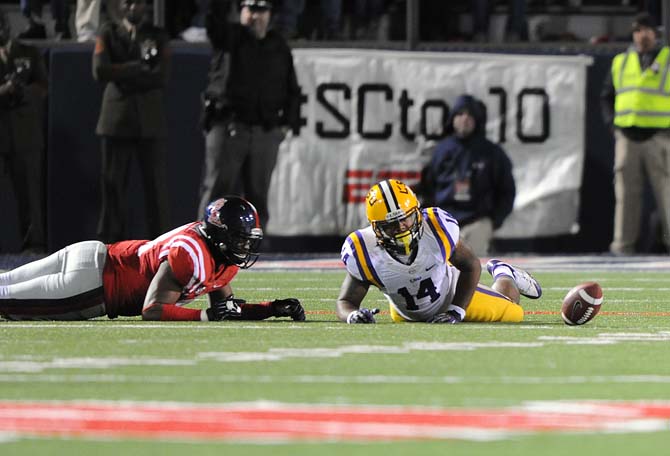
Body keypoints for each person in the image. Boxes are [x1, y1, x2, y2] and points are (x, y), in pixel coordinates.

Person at [0, 196, 306, 322]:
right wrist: (203, 316)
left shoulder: (215, 254)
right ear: (221, 233)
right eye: (240, 239)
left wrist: (271, 309)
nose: (244, 247)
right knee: (5, 298)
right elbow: (153, 308)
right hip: (93, 287)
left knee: (5, 283)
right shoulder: (192, 253)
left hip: (92, 255)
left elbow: (226, 309)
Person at [336, 179, 540, 325]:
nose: (401, 227)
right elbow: (346, 302)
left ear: (416, 212)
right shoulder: (363, 250)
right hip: (405, 312)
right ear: (376, 227)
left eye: (405, 218)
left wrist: (456, 311)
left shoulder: (435, 228)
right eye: (391, 224)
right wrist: (352, 315)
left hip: (450, 294)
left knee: (514, 312)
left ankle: (505, 274)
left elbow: (471, 266)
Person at [198, 0, 301, 229]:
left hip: (264, 131)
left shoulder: (278, 45)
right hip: (229, 127)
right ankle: (203, 250)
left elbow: (293, 89)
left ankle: (253, 255)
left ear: (270, 14)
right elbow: (214, 20)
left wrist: (284, 126)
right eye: (250, 9)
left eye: (261, 9)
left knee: (258, 199)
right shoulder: (229, 37)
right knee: (217, 194)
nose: (256, 15)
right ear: (240, 11)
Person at [93, 0, 171, 243]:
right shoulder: (108, 32)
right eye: (128, 2)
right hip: (115, 121)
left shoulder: (159, 36)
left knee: (156, 189)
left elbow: (162, 75)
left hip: (149, 122)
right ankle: (109, 245)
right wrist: (138, 67)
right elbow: (100, 71)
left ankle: (161, 245)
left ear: (146, 7)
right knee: (113, 187)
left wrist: (121, 73)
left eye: (138, 2)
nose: (133, 7)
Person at [600, 12, 670, 255]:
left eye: (647, 30)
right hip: (627, 137)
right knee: (626, 196)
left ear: (657, 33)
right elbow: (607, 96)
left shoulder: (668, 59)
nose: (643, 35)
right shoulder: (621, 61)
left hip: (660, 137)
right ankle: (622, 247)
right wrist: (613, 126)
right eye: (638, 30)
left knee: (666, 194)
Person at [419, 94, 515, 257]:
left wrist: (493, 221)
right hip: (444, 220)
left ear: (477, 120)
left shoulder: (491, 152)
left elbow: (507, 190)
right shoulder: (442, 150)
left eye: (470, 115)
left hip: (477, 221)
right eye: (460, 114)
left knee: (471, 264)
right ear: (453, 118)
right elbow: (429, 187)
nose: (465, 119)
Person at [0, 11, 48, 253]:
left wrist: (21, 91)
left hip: (25, 134)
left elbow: (43, 87)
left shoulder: (28, 52)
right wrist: (4, 90)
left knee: (29, 195)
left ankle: (33, 248)